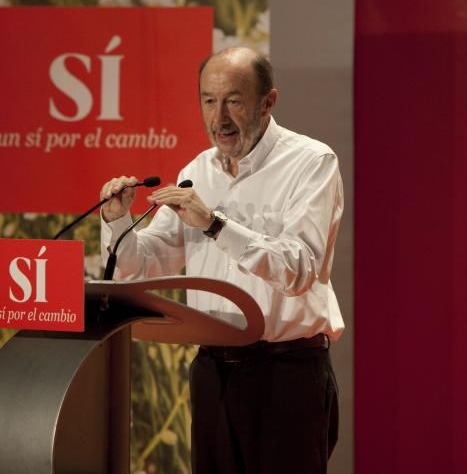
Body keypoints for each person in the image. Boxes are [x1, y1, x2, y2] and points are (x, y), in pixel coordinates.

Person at [100, 46, 344, 474]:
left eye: (234, 100)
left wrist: (215, 224)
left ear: (268, 101)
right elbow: (144, 265)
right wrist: (117, 222)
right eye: (208, 102)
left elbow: (301, 268)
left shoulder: (311, 163)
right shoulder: (199, 169)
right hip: (212, 372)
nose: (219, 118)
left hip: (286, 373)